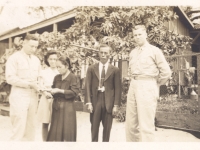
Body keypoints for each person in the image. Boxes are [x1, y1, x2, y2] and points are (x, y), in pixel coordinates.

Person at [126, 25, 171, 142]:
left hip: (147, 86)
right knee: (131, 124)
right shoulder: (133, 52)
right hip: (133, 85)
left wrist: (155, 85)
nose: (137, 37)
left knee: (146, 125)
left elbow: (166, 72)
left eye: (140, 34)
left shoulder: (154, 51)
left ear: (146, 35)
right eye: (135, 35)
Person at [5, 34, 41, 141]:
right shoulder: (14, 58)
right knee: (19, 127)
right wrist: (29, 84)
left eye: (35, 47)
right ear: (24, 43)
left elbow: (39, 77)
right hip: (19, 95)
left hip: (33, 96)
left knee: (31, 127)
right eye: (31, 46)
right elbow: (10, 78)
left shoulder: (36, 60)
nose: (33, 49)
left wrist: (40, 85)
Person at [85, 44, 121, 142]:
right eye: (101, 52)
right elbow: (87, 86)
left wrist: (116, 105)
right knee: (94, 128)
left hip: (108, 103)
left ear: (110, 54)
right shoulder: (92, 68)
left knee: (107, 130)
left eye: (106, 53)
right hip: (96, 101)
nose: (103, 55)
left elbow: (118, 88)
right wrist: (88, 102)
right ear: (98, 53)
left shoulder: (115, 70)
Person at [47, 56, 79, 142]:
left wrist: (60, 91)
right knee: (55, 130)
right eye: (57, 67)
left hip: (67, 107)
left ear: (67, 66)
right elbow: (53, 90)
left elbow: (74, 93)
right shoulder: (57, 77)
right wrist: (49, 93)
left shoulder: (73, 77)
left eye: (60, 67)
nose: (58, 69)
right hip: (56, 107)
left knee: (67, 131)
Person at [36, 50, 59, 141]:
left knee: (57, 122)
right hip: (46, 98)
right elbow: (40, 85)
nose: (53, 61)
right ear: (47, 60)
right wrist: (45, 93)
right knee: (45, 122)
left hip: (57, 98)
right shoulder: (43, 72)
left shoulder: (60, 72)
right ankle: (45, 143)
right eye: (51, 59)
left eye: (55, 59)